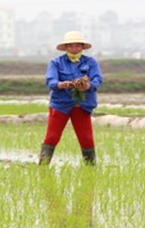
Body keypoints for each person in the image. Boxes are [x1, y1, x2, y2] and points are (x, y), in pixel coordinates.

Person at [39, 31, 103, 166]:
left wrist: (87, 86)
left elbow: (98, 79)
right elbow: (50, 81)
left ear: (82, 47)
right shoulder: (55, 63)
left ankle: (90, 169)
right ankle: (43, 167)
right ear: (66, 47)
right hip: (60, 105)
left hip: (82, 105)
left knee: (86, 138)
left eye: (77, 46)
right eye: (71, 46)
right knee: (52, 137)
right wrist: (61, 84)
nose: (74, 49)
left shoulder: (91, 62)